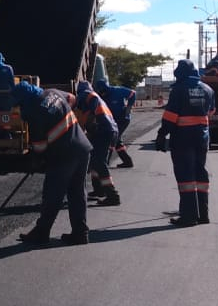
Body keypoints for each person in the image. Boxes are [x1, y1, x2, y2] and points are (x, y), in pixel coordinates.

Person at [11, 80, 93, 245]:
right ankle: (80, 233)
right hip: (82, 148)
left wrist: (36, 160)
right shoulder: (53, 92)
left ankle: (41, 233)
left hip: (64, 154)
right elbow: (72, 99)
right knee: (77, 192)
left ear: (25, 100)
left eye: (20, 103)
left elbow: (40, 145)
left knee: (52, 193)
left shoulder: (34, 111)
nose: (20, 107)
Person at [155, 59, 215, 226]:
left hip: (182, 139)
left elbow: (170, 117)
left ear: (179, 74)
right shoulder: (208, 90)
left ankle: (188, 216)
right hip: (202, 138)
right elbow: (211, 111)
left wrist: (161, 135)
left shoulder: (179, 89)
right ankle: (203, 214)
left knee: (185, 177)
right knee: (200, 174)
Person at [73, 80, 121, 205]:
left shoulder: (87, 96)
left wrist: (81, 131)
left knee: (99, 162)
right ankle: (99, 190)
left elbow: (88, 116)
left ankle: (112, 195)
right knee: (95, 160)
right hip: (109, 130)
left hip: (103, 131)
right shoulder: (96, 97)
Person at [96, 78, 137, 168]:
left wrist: (128, 108)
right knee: (117, 141)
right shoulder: (101, 95)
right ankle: (127, 161)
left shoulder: (118, 90)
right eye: (101, 91)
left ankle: (105, 162)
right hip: (113, 120)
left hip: (123, 119)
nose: (103, 93)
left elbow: (133, 94)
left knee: (112, 138)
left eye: (104, 91)